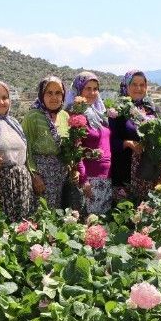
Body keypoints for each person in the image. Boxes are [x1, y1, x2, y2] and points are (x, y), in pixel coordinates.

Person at [0, 81, 34, 222]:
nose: (1, 102)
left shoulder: (14, 123)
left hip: (22, 183)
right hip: (0, 184)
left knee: (23, 229)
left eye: (5, 97)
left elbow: (25, 153)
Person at [110, 70, 161, 200]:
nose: (138, 88)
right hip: (125, 170)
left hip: (151, 170)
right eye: (134, 84)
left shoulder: (153, 109)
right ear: (126, 86)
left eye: (142, 85)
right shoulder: (117, 111)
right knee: (126, 212)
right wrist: (127, 143)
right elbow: (109, 141)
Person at [22, 76, 70, 210]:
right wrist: (34, 175)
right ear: (42, 94)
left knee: (59, 215)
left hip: (61, 175)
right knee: (41, 215)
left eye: (58, 93)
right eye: (49, 93)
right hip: (41, 176)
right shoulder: (33, 116)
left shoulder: (65, 116)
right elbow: (26, 148)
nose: (54, 97)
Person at [68, 72, 112, 215]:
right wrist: (83, 179)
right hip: (90, 180)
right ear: (79, 90)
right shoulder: (77, 116)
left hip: (106, 178)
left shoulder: (99, 113)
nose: (92, 93)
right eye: (88, 88)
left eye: (95, 88)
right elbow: (76, 149)